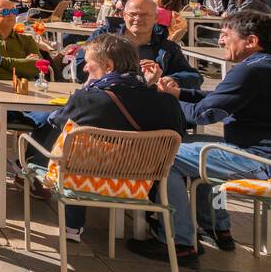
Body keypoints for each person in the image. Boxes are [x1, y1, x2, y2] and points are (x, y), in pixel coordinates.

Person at [132, 11, 271, 264]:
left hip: (255, 159)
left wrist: (166, 97)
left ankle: (178, 242)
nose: (220, 41)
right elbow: (214, 100)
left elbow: (203, 115)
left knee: (164, 156)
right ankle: (217, 227)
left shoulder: (249, 72)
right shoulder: (261, 66)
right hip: (254, 153)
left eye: (226, 35)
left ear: (251, 41)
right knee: (194, 149)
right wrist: (177, 93)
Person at [33, 34, 187, 243]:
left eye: (88, 63)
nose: (85, 69)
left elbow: (55, 121)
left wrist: (87, 86)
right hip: (138, 184)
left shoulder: (87, 99)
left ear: (107, 65)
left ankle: (72, 225)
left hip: (86, 179)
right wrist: (148, 86)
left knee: (66, 149)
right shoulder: (167, 103)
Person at [74, 0, 200, 88]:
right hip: (107, 99)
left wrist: (173, 79)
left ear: (156, 18)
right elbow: (80, 67)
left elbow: (194, 77)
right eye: (132, 14)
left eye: (144, 15)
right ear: (124, 16)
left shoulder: (166, 47)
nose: (137, 19)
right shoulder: (103, 38)